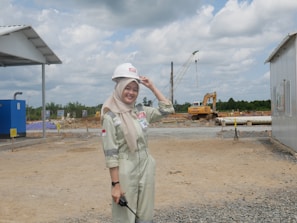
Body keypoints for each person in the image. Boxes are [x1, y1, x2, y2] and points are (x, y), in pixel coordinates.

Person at [101, 63, 175, 223]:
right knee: (125, 217)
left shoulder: (140, 111)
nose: (131, 93)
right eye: (128, 88)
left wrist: (152, 87)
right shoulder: (110, 116)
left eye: (135, 89)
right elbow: (111, 154)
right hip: (125, 169)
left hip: (146, 165)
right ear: (120, 88)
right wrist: (116, 184)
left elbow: (168, 109)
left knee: (145, 216)